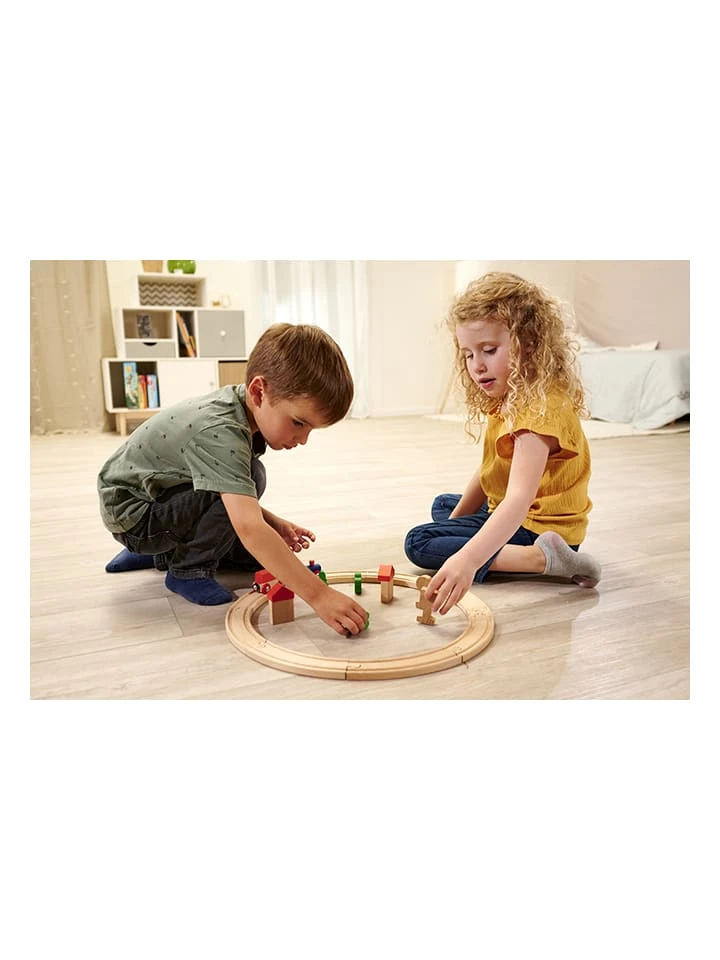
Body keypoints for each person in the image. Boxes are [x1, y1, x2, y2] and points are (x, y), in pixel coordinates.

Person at [98, 323, 368, 637]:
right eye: (298, 423)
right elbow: (247, 525)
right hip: (134, 517)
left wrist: (271, 521)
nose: (303, 439)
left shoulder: (238, 407)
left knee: (251, 511)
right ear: (259, 391)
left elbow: (225, 487)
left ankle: (160, 551)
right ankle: (186, 570)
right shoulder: (220, 432)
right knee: (253, 481)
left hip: (148, 499)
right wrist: (319, 595)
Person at [404, 271, 602, 616]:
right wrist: (454, 524)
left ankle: (541, 559)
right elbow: (491, 469)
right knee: (444, 506)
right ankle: (532, 550)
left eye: (489, 350)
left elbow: (518, 501)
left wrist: (467, 559)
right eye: (468, 354)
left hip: (539, 527)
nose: (477, 366)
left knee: (419, 542)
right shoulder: (514, 393)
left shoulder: (537, 411)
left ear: (529, 343)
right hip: (539, 519)